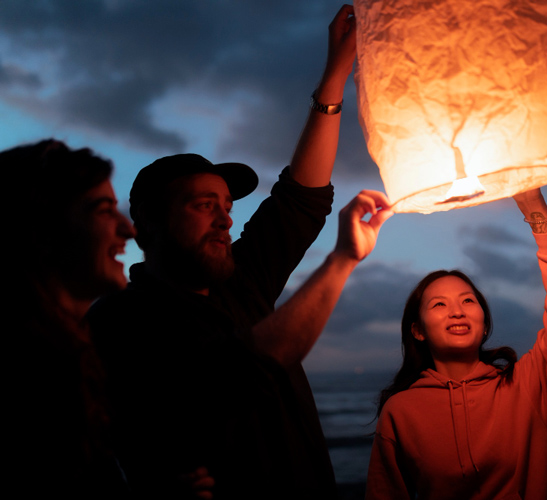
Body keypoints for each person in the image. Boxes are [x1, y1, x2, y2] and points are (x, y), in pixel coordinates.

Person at [88, 6, 386, 498]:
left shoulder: (242, 281)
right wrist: (341, 261)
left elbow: (299, 200)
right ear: (147, 227)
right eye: (205, 205)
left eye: (227, 206)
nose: (226, 218)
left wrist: (334, 75)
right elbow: (241, 371)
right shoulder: (119, 322)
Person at [366, 189, 547, 500]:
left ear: (484, 323)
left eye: (467, 300)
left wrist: (533, 205)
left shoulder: (528, 387)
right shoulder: (400, 412)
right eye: (439, 305)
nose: (457, 310)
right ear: (418, 331)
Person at [3, 139, 135, 498]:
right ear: (41, 228)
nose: (129, 230)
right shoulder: (29, 372)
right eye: (104, 210)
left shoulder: (73, 355)